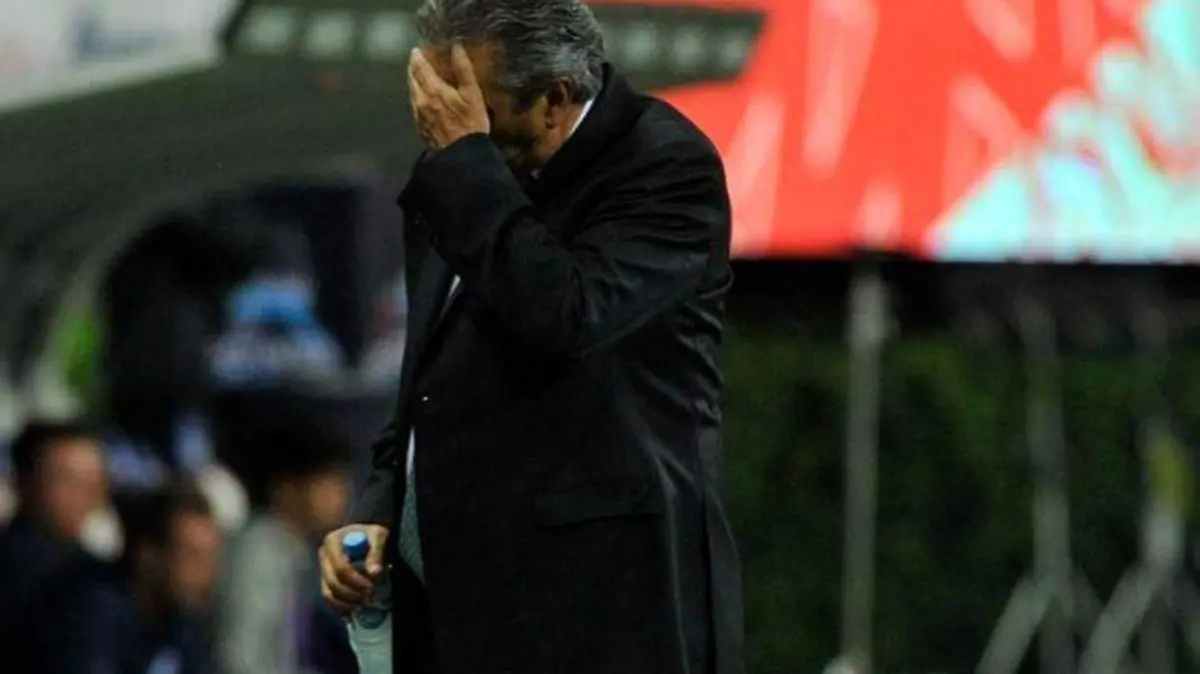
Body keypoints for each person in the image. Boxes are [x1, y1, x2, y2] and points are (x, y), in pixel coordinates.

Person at [318, 1, 744, 673]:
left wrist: (466, 163)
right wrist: (379, 509)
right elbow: (430, 376)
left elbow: (564, 316)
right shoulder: (464, 167)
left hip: (595, 618)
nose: (445, 122)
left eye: (475, 108)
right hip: (458, 609)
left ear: (555, 99)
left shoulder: (665, 167)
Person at [14, 482, 222, 674]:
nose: (206, 574)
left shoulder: (185, 622)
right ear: (147, 556)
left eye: (210, 558)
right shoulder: (90, 611)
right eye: (191, 557)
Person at [216, 420, 355, 674]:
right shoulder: (261, 552)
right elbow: (243, 658)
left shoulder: (297, 550)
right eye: (326, 482)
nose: (340, 494)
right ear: (286, 489)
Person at [0, 420, 109, 642]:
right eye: (68, 481)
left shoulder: (89, 566)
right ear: (22, 483)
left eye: (93, 481)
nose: (85, 495)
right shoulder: (22, 570)